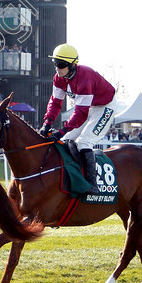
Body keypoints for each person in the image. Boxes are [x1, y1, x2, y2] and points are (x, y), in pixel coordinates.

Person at [39, 43, 117, 193]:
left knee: (83, 142)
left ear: (73, 65)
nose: (57, 68)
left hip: (105, 107)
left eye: (61, 64)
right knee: (65, 141)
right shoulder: (59, 78)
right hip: (89, 107)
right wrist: (47, 123)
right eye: (55, 63)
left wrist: (61, 130)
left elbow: (80, 113)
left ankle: (92, 184)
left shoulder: (85, 78)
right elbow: (55, 102)